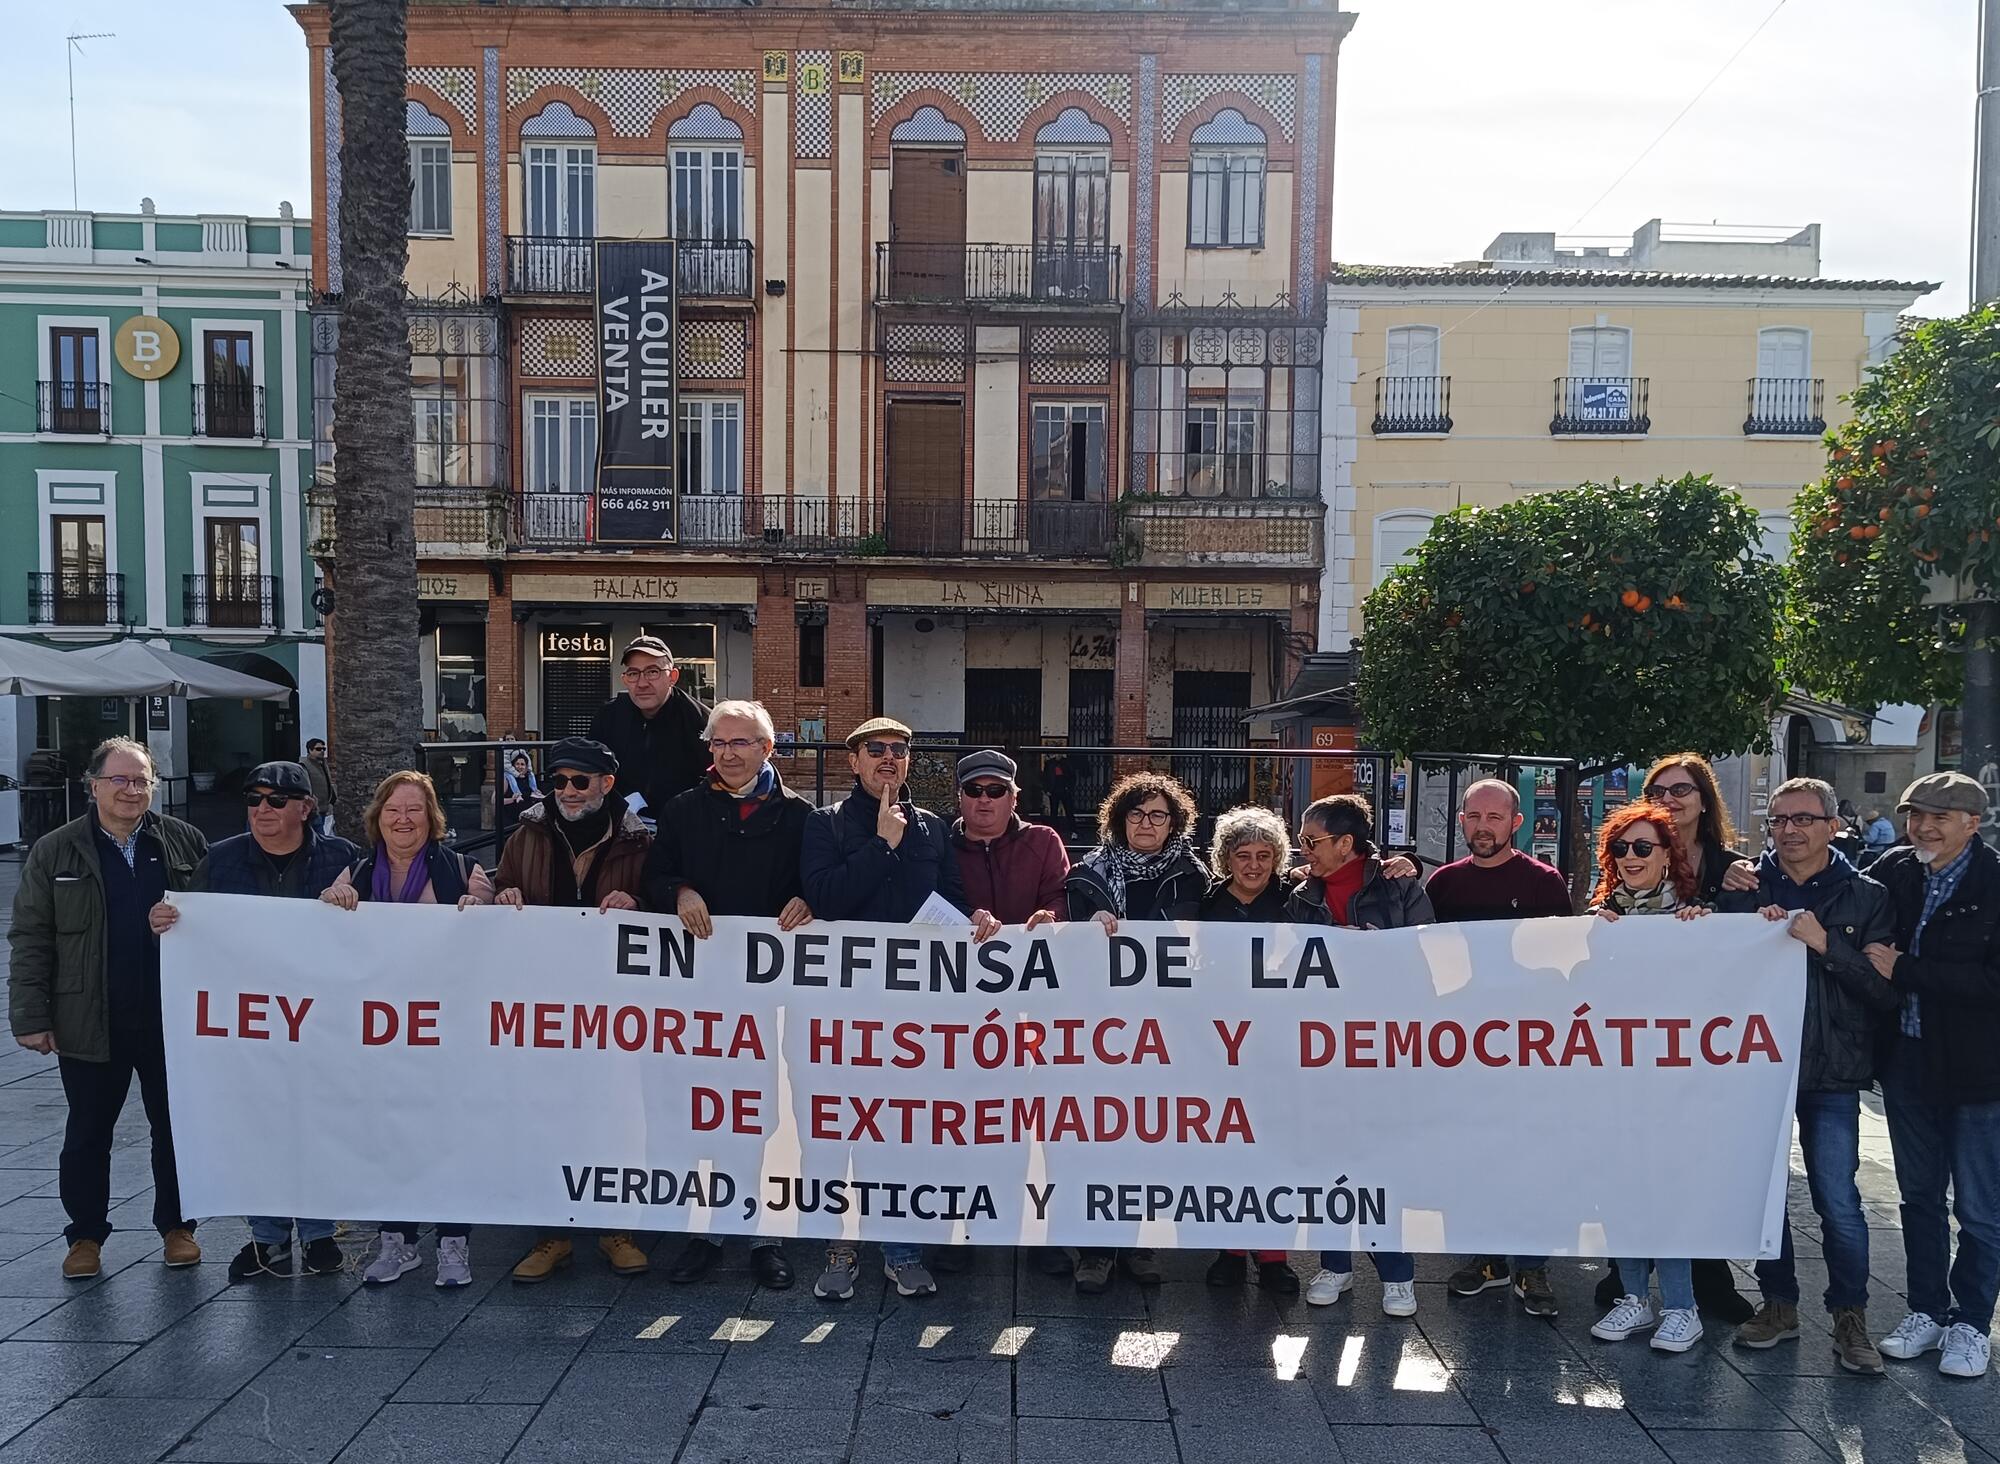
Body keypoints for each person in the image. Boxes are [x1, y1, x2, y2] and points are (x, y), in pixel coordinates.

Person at [800, 717, 990, 1302]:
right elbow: (825, 898)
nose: (888, 758)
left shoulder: (932, 828)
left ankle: (903, 1249)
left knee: (904, 1129)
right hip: (843, 1010)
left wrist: (978, 920)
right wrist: (882, 844)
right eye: (875, 749)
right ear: (852, 761)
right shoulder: (824, 824)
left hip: (914, 1013)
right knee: (835, 1130)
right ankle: (838, 1247)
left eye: (899, 750)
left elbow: (951, 903)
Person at [151, 761, 361, 1283]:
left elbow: (375, 934)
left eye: (275, 800)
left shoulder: (343, 858)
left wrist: (355, 902)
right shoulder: (218, 859)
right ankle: (266, 1238)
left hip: (321, 1023)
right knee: (257, 1125)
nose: (262, 809)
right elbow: (192, 923)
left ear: (305, 808)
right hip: (249, 1024)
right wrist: (167, 922)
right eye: (253, 799)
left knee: (315, 1124)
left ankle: (317, 1235)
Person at [7, 737, 205, 1279]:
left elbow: (219, 916)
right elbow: (30, 935)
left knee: (175, 1127)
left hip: (173, 1017)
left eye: (141, 780)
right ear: (93, 786)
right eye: (119, 779)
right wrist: (31, 1016)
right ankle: (85, 1237)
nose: (131, 790)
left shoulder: (183, 842)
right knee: (90, 1130)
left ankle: (178, 1227)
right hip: (89, 1016)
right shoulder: (57, 850)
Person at [1718, 777, 1895, 1375]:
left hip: (1833, 1072)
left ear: (1832, 825)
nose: (1790, 830)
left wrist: (1824, 946)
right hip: (1759, 1069)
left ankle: (1851, 1316)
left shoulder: (1865, 895)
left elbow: (1881, 991)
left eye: (1804, 819)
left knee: (1839, 1201)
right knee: (1766, 1198)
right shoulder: (1744, 887)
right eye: (1778, 820)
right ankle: (1779, 1304)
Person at [646, 699, 813, 1291]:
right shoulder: (685, 810)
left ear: (768, 749)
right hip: (701, 996)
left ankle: (764, 1232)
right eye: (719, 743)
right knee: (707, 1109)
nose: (729, 753)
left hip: (772, 999)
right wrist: (680, 890)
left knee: (764, 1115)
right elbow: (653, 876)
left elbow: (818, 881)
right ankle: (709, 1229)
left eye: (742, 743)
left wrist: (809, 900)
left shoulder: (799, 815)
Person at [479, 738, 652, 1285]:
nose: (567, 792)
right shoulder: (527, 832)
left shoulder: (641, 840)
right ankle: (550, 1234)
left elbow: (667, 899)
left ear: (607, 783)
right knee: (545, 1116)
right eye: (558, 781)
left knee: (615, 1117)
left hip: (617, 1010)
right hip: (544, 1007)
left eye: (580, 781)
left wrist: (641, 903)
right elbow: (502, 882)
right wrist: (499, 896)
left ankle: (615, 1228)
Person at [321, 770, 492, 1285]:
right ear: (378, 817)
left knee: (448, 1138)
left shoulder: (462, 869)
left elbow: (498, 910)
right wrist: (332, 902)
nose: (403, 819)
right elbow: (323, 938)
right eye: (393, 810)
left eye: (414, 810)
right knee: (392, 1138)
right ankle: (397, 1241)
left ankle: (453, 1244)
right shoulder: (355, 872)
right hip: (382, 1037)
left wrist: (484, 905)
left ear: (431, 818)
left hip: (447, 1036)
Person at [1865, 772, 2000, 1380]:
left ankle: (1972, 1323)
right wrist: (1747, 875)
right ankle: (1927, 1311)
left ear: (1973, 823)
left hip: (1978, 1072)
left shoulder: (1995, 882)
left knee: (1979, 1207)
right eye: (1916, 814)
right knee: (1918, 1197)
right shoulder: (1896, 868)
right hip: (1908, 1061)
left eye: (1939, 817)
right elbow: (1834, 888)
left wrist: (1909, 970)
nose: (1924, 826)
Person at [1619, 753, 1758, 1324]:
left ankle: (1702, 1280)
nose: (1671, 798)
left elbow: (1747, 946)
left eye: (1682, 789)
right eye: (1659, 788)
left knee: (1696, 1163)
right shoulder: (1634, 853)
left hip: (1705, 1041)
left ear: (1705, 798)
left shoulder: (1733, 866)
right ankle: (1630, 1282)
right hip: (1638, 1046)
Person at [1286, 792, 1434, 1316]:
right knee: (1330, 1154)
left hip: (1383, 1048)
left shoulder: (1399, 888)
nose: (1303, 851)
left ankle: (1397, 1273)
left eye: (1312, 841)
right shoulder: (1301, 895)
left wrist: (1377, 950)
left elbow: (1429, 959)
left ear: (1346, 843)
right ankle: (1336, 1264)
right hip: (1321, 1047)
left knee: (1381, 1159)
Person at [1061, 771, 1208, 1296]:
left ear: (1174, 824)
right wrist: (1083, 925)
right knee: (1098, 1136)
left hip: (1164, 1030)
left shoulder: (1196, 877)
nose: (1147, 824)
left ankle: (1140, 1241)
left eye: (1158, 816)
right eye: (1137, 815)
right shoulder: (1086, 876)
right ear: (1120, 820)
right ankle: (1096, 1250)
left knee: (1149, 1137)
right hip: (1101, 1030)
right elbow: (1058, 943)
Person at [1433, 778, 1574, 1317]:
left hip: (1528, 1046)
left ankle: (1532, 1264)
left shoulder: (1543, 882)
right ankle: (1488, 1259)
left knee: (1532, 1156)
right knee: (1478, 1156)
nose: (1483, 827)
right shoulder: (1442, 884)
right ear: (1461, 821)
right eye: (1474, 816)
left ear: (1515, 823)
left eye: (1495, 817)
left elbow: (1562, 964)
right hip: (1462, 1048)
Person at [1585, 800, 1712, 1355]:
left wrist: (1703, 934)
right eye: (1621, 847)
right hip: (1612, 1081)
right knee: (1622, 1188)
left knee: (1666, 1191)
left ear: (1668, 855)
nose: (1631, 857)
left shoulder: (1694, 917)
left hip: (1671, 1084)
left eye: (1643, 847)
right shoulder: (1597, 917)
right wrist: (1585, 942)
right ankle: (1634, 1297)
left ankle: (1682, 1306)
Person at [1197, 806, 1297, 1295]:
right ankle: (1232, 1250)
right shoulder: (1203, 904)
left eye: (1264, 855)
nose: (1254, 866)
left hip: (1279, 1045)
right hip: (1218, 1044)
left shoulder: (1298, 902)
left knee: (1274, 1146)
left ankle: (1274, 1255)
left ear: (1278, 858)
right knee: (1228, 1147)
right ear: (1226, 859)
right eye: (1243, 856)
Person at [588, 634, 710, 821]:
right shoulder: (608, 717)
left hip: (682, 828)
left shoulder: (700, 721)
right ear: (625, 679)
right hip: (619, 826)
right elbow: (592, 771)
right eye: (633, 673)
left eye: (653, 672)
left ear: (673, 677)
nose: (642, 683)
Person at [952, 749, 1069, 929]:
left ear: (1013, 799)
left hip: (1034, 954)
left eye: (995, 791)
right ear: (960, 798)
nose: (984, 799)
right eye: (973, 790)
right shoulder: (941, 846)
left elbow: (1062, 897)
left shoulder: (1044, 841)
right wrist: (968, 915)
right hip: (959, 954)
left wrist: (1051, 916)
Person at [304, 738, 337, 837]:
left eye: (324, 749)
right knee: (318, 835)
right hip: (313, 808)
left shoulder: (323, 764)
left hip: (324, 808)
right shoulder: (304, 765)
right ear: (310, 750)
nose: (322, 751)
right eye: (318, 749)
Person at [1043, 753, 1076, 828]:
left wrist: (1070, 788)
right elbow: (1045, 777)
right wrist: (1047, 789)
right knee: (1054, 811)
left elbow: (1072, 776)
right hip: (1054, 790)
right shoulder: (1050, 763)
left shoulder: (1066, 763)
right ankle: (1055, 829)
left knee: (1069, 811)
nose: (1058, 755)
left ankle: (1073, 830)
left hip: (1064, 789)